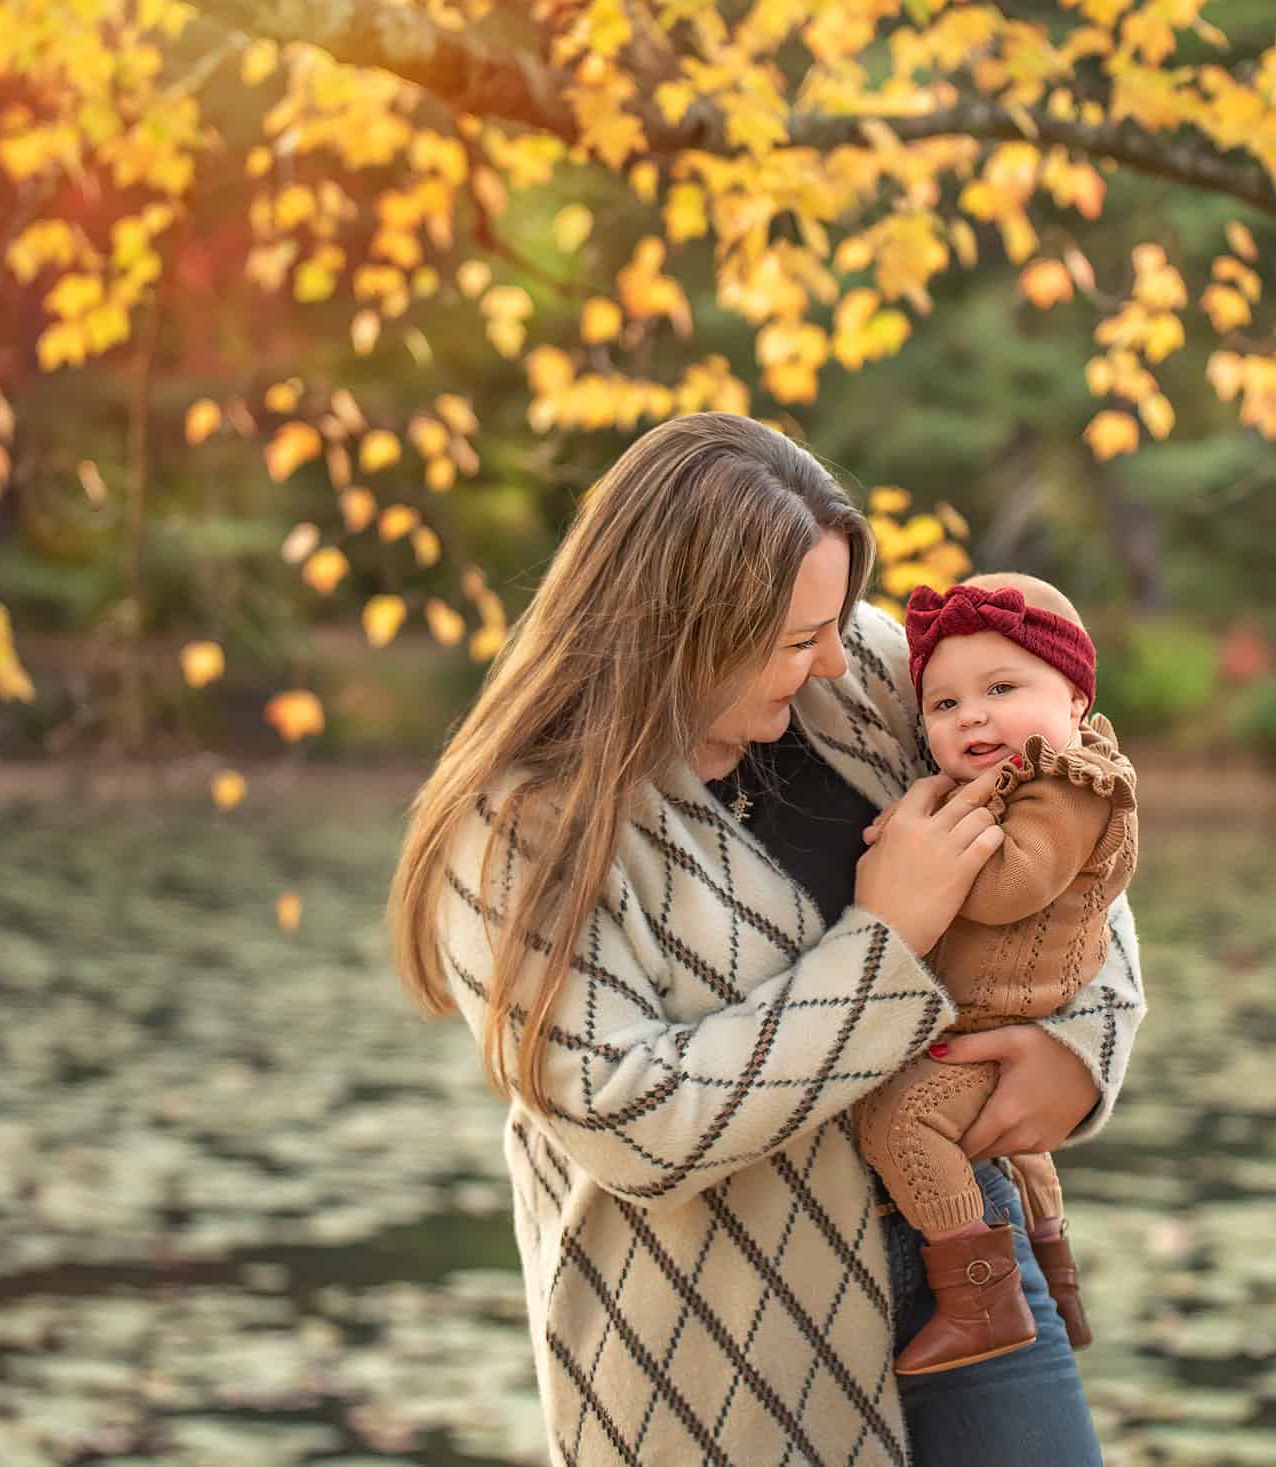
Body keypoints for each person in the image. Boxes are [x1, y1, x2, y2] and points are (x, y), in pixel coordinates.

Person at [387, 413, 1144, 1467]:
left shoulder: (864, 674)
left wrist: (1086, 1039)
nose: (838, 655)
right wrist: (888, 942)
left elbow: (1071, 795)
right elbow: (631, 1122)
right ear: (680, 630)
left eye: (835, 620)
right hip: (725, 1367)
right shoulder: (521, 832)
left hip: (976, 1278)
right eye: (795, 640)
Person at [854, 574, 1138, 1376]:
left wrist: (913, 858)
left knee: (901, 1123)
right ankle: (1055, 1273)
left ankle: (980, 1300)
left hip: (995, 1018)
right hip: (983, 1010)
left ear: (1076, 702)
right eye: (942, 706)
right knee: (1021, 1152)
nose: (970, 715)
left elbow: (1012, 885)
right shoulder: (1013, 778)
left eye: (1002, 688)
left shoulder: (1069, 790)